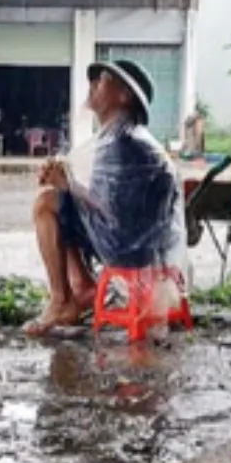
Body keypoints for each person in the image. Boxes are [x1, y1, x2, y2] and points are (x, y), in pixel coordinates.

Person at [24, 58, 184, 336]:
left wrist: (67, 185)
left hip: (128, 249)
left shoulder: (125, 143)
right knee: (60, 201)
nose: (94, 85)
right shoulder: (125, 138)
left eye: (104, 81)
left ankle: (62, 301)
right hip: (141, 246)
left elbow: (116, 216)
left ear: (124, 96)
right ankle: (83, 288)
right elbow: (110, 207)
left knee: (46, 203)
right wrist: (68, 185)